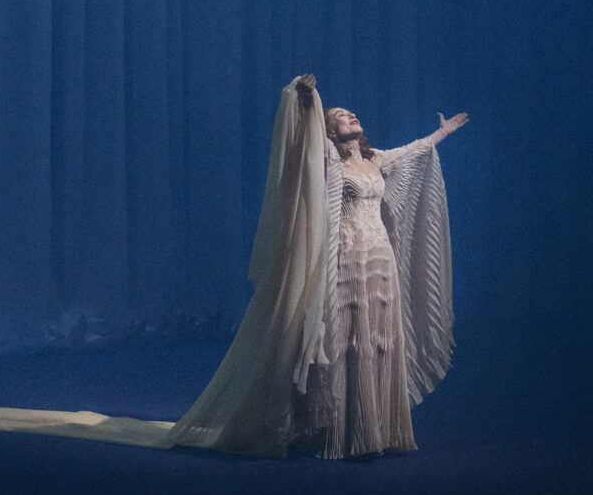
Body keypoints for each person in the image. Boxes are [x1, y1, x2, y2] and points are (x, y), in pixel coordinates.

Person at [164, 74, 467, 458]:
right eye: (340, 115)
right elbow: (297, 138)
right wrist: (304, 99)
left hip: (382, 263)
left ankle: (378, 428)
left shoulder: (374, 160)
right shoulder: (327, 159)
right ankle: (343, 431)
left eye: (351, 113)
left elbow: (411, 152)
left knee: (380, 341)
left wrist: (441, 133)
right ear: (328, 130)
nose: (351, 115)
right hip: (347, 261)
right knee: (350, 341)